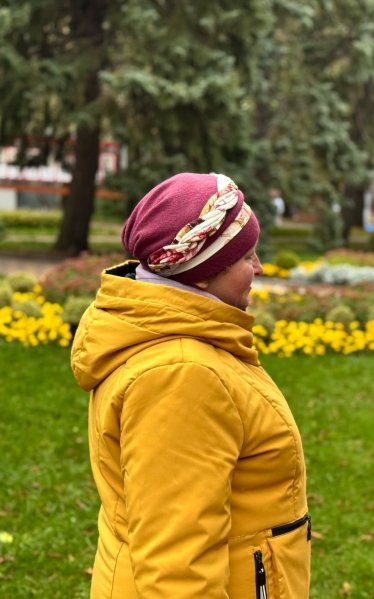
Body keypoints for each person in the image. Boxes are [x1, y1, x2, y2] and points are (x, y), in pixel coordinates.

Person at [71, 172, 311, 598]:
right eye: (245, 257)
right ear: (200, 274)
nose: (258, 267)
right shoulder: (181, 374)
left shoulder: (182, 339)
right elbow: (177, 564)